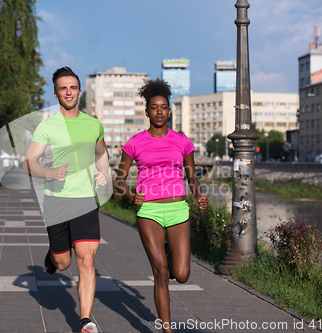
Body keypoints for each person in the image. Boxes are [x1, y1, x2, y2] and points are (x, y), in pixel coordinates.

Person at [115, 78, 208, 333]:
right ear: (147, 112)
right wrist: (129, 194)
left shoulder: (182, 141)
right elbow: (119, 180)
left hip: (178, 210)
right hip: (149, 212)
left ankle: (169, 254)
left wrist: (198, 194)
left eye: (163, 107)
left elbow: (192, 177)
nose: (159, 111)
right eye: (154, 107)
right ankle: (167, 330)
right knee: (161, 273)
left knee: (182, 274)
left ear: (169, 111)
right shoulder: (135, 143)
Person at [23, 67, 108, 333]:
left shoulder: (93, 124)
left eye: (72, 87)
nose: (68, 92)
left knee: (87, 260)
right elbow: (29, 163)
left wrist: (103, 174)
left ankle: (85, 320)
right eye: (63, 88)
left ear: (79, 91)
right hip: (57, 201)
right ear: (57, 93)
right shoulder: (47, 126)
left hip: (84, 200)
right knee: (63, 263)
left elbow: (101, 152)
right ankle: (52, 258)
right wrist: (48, 172)